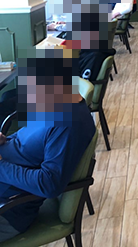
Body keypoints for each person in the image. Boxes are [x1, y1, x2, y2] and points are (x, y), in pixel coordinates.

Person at [0, 49, 95, 241]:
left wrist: (1, 165)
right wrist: (5, 139)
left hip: (10, 210)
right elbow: (27, 141)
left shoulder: (67, 124)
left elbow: (49, 184)